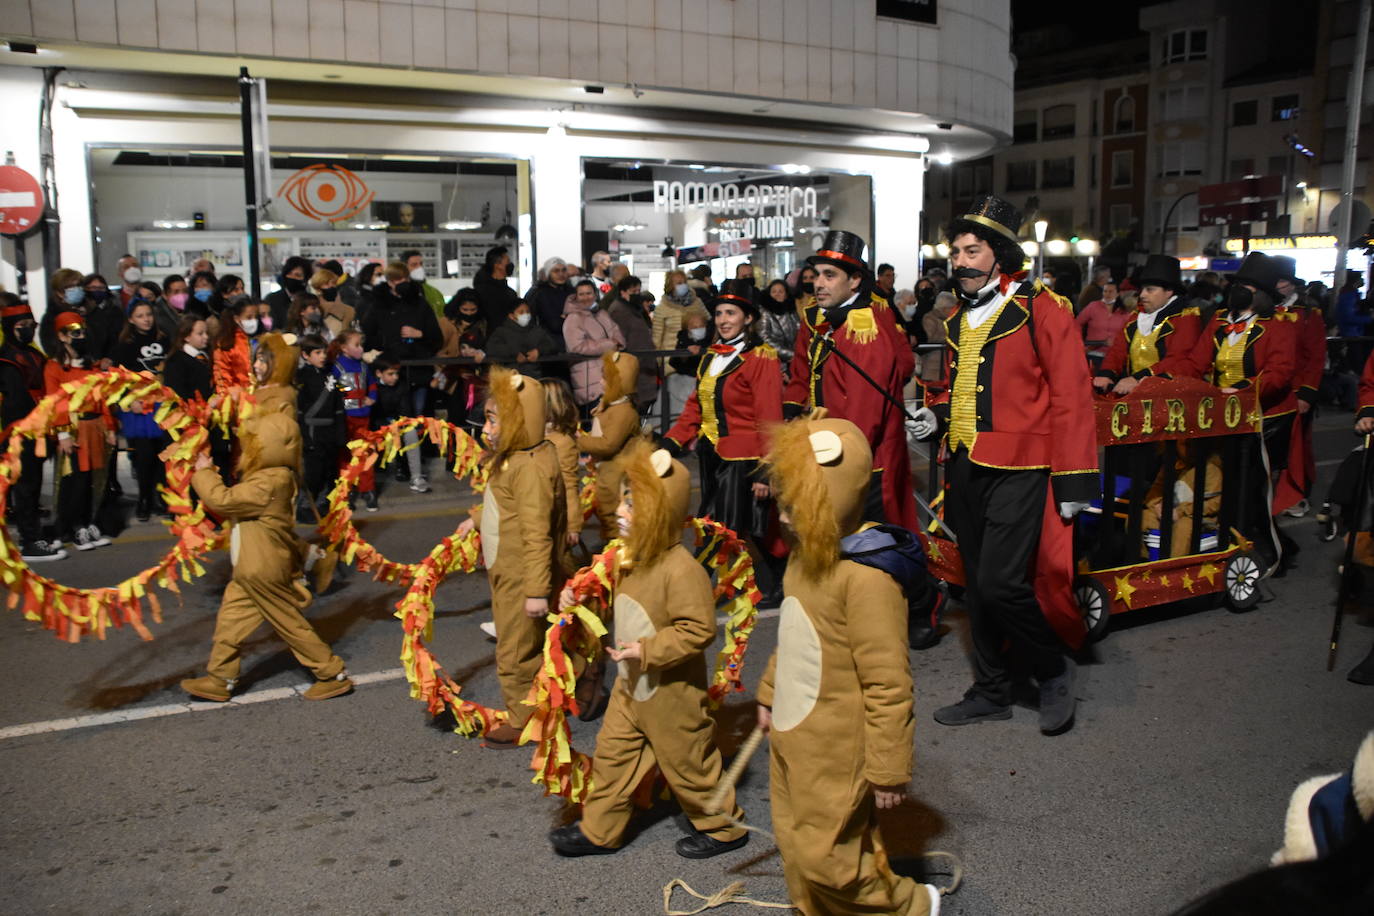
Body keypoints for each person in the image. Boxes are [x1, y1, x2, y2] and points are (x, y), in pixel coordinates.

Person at [908, 195, 1097, 734]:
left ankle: (1052, 668)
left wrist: (1076, 476)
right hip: (965, 463)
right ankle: (991, 688)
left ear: (1001, 255)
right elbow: (967, 389)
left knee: (1001, 584)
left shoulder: (1043, 308)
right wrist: (937, 418)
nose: (960, 261)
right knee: (974, 584)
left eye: (972, 251)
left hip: (1022, 466)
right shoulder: (961, 316)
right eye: (956, 251)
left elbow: (1071, 396)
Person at [756, 416, 941, 916]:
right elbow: (794, 635)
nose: (786, 515)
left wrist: (887, 769)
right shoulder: (804, 555)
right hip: (795, 733)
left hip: (838, 745)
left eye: (800, 503)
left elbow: (888, 683)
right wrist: (771, 693)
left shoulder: (866, 579)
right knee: (794, 838)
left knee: (829, 860)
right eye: (784, 498)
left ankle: (912, 906)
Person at [550, 441, 748, 860]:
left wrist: (648, 648)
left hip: (671, 694)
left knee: (689, 765)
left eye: (633, 507)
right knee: (612, 757)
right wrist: (578, 600)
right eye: (624, 502)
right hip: (630, 687)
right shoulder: (630, 559)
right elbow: (616, 603)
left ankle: (724, 829)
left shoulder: (682, 570)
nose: (621, 513)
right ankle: (599, 831)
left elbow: (698, 630)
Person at [180, 409, 354, 703]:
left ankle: (331, 673)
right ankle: (219, 678)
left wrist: (204, 472)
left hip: (262, 568)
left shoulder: (268, 482)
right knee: (230, 623)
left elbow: (222, 500)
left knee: (289, 623)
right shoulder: (274, 476)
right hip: (250, 567)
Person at [454, 368, 567, 748]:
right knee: (526, 642)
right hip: (508, 567)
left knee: (515, 649)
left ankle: (524, 720)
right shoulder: (518, 455)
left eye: (492, 417)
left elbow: (537, 533)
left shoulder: (529, 466)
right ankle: (575, 682)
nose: (486, 426)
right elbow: (506, 503)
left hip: (520, 573)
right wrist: (475, 519)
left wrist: (536, 590)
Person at [784, 229, 917, 531]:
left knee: (865, 550)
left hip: (856, 461)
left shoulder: (863, 329)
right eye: (816, 274)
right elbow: (805, 371)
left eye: (829, 275)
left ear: (855, 280)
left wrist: (835, 463)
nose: (818, 283)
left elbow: (863, 417)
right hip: (830, 445)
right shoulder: (824, 317)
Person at [664, 278, 786, 603]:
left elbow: (769, 417)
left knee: (721, 524)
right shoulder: (710, 356)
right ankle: (775, 579)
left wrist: (766, 471)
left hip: (743, 458)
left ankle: (700, 589)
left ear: (748, 318)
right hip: (711, 455)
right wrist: (672, 443)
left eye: (731, 313)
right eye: (719, 314)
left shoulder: (762, 357)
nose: (723, 320)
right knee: (745, 524)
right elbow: (696, 405)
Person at [1176, 251, 1298, 573]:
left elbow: (1280, 373)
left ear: (1263, 295)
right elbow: (1195, 363)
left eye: (1248, 285)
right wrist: (1166, 380)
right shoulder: (1219, 321)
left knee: (1253, 487)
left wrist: (1243, 390)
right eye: (1239, 283)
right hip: (1225, 416)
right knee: (1227, 483)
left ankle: (1269, 551)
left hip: (1265, 419)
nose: (1240, 289)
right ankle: (1230, 544)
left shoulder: (1279, 326)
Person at [44, 311, 117, 552]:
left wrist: (109, 426)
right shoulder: (54, 368)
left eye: (83, 331)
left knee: (94, 480)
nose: (81, 336)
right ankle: (74, 527)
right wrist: (63, 434)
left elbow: (102, 398)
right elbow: (55, 402)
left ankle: (89, 522)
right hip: (74, 429)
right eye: (76, 332)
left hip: (94, 427)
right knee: (75, 481)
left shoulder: (92, 366)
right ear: (62, 337)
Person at [0, 296, 64, 561]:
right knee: (24, 488)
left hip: (35, 429)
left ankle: (32, 534)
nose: (29, 329)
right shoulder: (6, 359)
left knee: (32, 485)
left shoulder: (34, 354)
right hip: (18, 432)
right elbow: (15, 400)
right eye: (22, 325)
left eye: (31, 324)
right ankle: (29, 540)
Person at [1092, 254, 1203, 395]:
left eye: (1150, 290)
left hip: (1169, 394)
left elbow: (1177, 359)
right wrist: (1107, 373)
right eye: (1142, 290)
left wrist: (1138, 378)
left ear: (1168, 291)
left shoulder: (1186, 318)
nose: (1142, 295)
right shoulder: (1136, 316)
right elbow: (1118, 350)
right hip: (1133, 392)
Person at [1273, 255, 1326, 518]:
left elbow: (1316, 355)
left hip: (1297, 391)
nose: (1278, 285)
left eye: (1282, 281)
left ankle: (1296, 495)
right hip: (1273, 389)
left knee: (1297, 449)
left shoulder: (1308, 313)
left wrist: (1307, 393)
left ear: (1292, 284)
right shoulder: (1268, 309)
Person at [110, 300, 170, 522]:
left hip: (163, 404)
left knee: (164, 455)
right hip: (140, 406)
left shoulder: (164, 339)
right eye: (140, 315)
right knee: (144, 457)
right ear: (131, 319)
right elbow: (117, 379)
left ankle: (162, 497)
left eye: (148, 314)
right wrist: (127, 400)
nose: (146, 319)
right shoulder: (125, 345)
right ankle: (144, 498)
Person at [362, 261, 443, 420]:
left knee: (419, 417)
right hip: (391, 371)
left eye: (402, 280)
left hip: (419, 370)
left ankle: (418, 445)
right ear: (388, 282)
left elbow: (437, 338)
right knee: (391, 418)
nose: (399, 284)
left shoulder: (420, 304)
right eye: (394, 280)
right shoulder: (378, 305)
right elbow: (368, 333)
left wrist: (420, 334)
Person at [578, 352, 642, 542]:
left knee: (614, 516)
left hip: (616, 475)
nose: (600, 382)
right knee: (606, 514)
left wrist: (578, 441)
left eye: (605, 378)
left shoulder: (623, 412)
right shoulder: (611, 405)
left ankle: (618, 553)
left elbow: (608, 444)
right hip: (606, 472)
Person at [296, 335, 344, 520]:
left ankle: (324, 503)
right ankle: (305, 506)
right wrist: (305, 437)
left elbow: (338, 407)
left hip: (330, 431)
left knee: (329, 469)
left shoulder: (330, 375)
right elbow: (300, 411)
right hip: (312, 431)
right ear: (305, 355)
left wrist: (341, 433)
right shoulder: (302, 378)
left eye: (324, 352)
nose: (323, 356)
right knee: (313, 472)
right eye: (317, 352)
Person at [330, 330, 378, 511]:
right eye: (356, 345)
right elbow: (332, 390)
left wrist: (372, 397)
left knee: (365, 454)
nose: (361, 349)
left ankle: (368, 490)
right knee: (345, 456)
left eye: (361, 345)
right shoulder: (336, 367)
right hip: (345, 419)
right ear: (344, 348)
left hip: (363, 417)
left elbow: (372, 383)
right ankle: (346, 490)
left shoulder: (364, 366)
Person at [563, 278, 626, 410]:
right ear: (576, 296)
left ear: (595, 294)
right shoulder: (574, 318)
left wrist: (616, 343)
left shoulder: (601, 314)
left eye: (589, 293)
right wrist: (609, 345)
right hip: (589, 380)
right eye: (582, 294)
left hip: (608, 376)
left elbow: (617, 335)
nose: (586, 297)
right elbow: (577, 346)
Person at [604, 275, 658, 411]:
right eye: (633, 292)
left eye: (639, 291)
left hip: (643, 365)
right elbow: (620, 339)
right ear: (623, 292)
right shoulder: (618, 310)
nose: (637, 295)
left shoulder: (633, 308)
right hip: (634, 365)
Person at [484, 299, 561, 380]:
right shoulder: (501, 332)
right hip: (509, 378)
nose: (526, 315)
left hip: (533, 378)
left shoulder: (536, 330)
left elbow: (552, 344)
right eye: (521, 312)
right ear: (511, 316)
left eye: (528, 312)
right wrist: (514, 353)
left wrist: (539, 351)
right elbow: (491, 348)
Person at [652, 269, 710, 377]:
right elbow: (657, 338)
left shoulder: (697, 303)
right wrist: (659, 362)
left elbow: (708, 323)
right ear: (670, 285)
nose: (682, 285)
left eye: (684, 282)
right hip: (671, 359)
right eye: (678, 283)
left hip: (698, 356)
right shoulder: (662, 308)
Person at [1075, 281, 1132, 369]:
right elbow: (1077, 323)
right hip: (1092, 353)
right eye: (1105, 291)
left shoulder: (1124, 312)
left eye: (1110, 291)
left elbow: (1128, 332)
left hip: (1114, 356)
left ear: (1118, 294)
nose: (1107, 294)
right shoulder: (1093, 306)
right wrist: (1079, 341)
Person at [667, 311, 709, 418]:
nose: (698, 329)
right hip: (683, 384)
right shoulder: (682, 340)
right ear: (687, 328)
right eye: (694, 327)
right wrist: (685, 353)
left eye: (701, 326)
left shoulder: (712, 340)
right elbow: (674, 362)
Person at [213, 298, 259, 392]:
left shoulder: (260, 340)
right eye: (249, 317)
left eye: (256, 317)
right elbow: (222, 376)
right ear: (237, 319)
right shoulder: (227, 343)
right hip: (237, 398)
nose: (253, 321)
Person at [525, 256, 574, 341]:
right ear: (548, 274)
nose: (561, 274)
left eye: (563, 270)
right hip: (547, 340)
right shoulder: (538, 293)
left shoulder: (572, 291)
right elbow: (554, 324)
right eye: (556, 271)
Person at [473, 245, 521, 328]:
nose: (510, 264)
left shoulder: (509, 292)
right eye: (508, 261)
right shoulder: (484, 291)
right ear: (497, 265)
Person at [759, 279, 800, 372]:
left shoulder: (791, 311)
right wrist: (790, 354)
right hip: (774, 362)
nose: (777, 294)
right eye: (774, 291)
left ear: (786, 295)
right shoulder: (764, 313)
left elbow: (800, 331)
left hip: (793, 363)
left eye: (781, 291)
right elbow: (765, 339)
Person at [81, 273, 122, 365]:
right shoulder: (81, 311)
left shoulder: (115, 311)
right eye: (93, 288)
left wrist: (110, 357)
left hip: (108, 361)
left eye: (101, 288)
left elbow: (118, 338)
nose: (97, 291)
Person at [919, 291, 957, 382]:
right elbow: (928, 338)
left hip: (947, 364)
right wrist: (948, 337)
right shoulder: (930, 318)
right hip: (932, 366)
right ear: (944, 308)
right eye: (952, 308)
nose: (954, 311)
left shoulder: (952, 319)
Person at [309, 267, 356, 338]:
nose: (331, 286)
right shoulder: (311, 308)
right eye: (326, 284)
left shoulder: (348, 310)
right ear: (317, 287)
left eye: (333, 283)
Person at [266, 256, 311, 329]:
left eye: (297, 275)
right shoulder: (272, 299)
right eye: (289, 273)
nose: (292, 277)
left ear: (305, 279)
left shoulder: (310, 301)